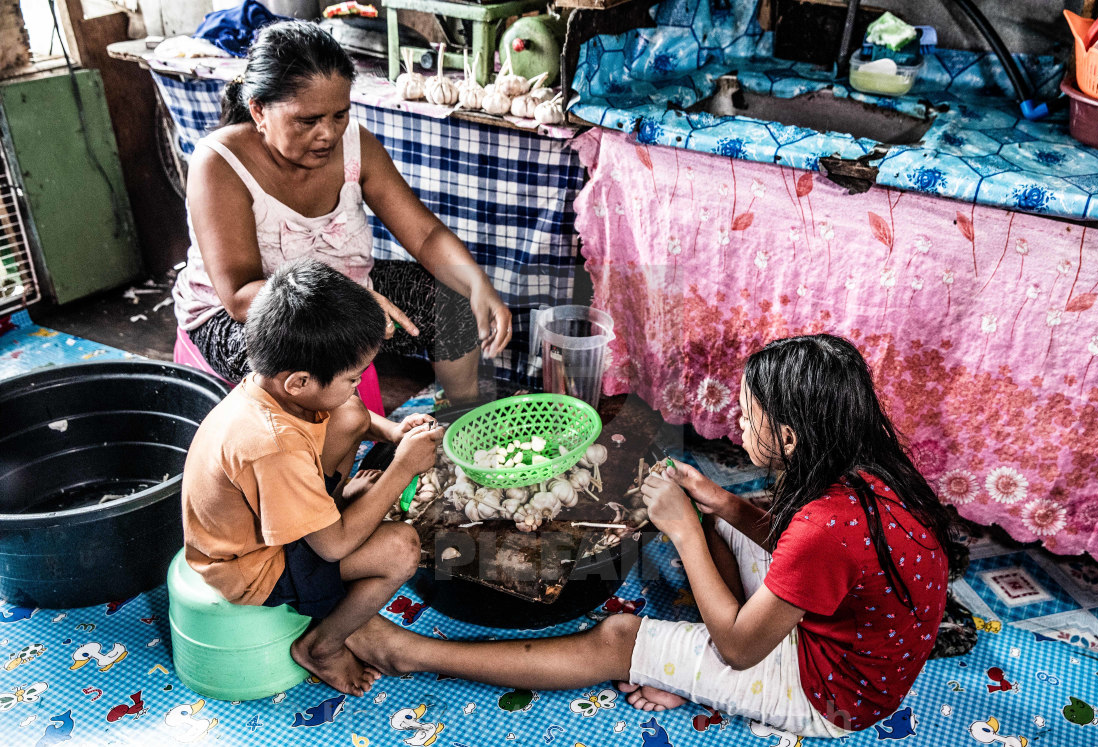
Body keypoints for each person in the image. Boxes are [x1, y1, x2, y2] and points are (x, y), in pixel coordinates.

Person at [346, 334, 954, 736]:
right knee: (723, 522)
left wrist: (688, 532)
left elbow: (743, 648)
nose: (736, 425)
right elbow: (807, 556)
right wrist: (719, 504)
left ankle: (412, 653)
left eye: (748, 416)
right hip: (849, 641)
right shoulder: (869, 476)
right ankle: (688, 670)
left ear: (791, 437)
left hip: (834, 695)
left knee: (617, 635)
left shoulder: (823, 530)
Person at [172, 20, 512, 406]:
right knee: (303, 361)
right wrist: (347, 301)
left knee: (451, 300)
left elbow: (425, 235)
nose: (328, 134)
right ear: (259, 111)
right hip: (248, 313)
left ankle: (462, 428)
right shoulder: (220, 164)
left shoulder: (355, 146)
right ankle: (328, 462)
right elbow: (238, 295)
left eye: (339, 115)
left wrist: (475, 282)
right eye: (307, 121)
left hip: (353, 293)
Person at [181, 258, 444, 696]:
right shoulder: (271, 444)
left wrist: (394, 432)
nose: (358, 383)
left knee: (349, 413)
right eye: (353, 377)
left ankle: (332, 508)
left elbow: (345, 412)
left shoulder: (274, 388)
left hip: (271, 519)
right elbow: (334, 545)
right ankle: (323, 644)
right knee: (401, 548)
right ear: (300, 381)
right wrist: (402, 467)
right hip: (253, 566)